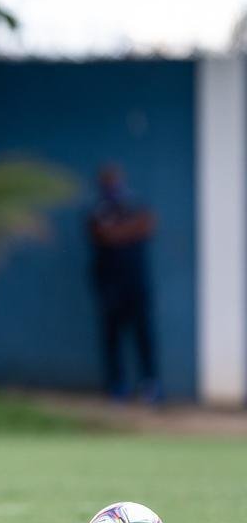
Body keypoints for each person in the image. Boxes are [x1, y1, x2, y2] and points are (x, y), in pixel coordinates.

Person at [88, 163, 160, 402]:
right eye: (108, 181)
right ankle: (117, 386)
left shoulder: (135, 203)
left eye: (115, 180)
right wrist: (127, 231)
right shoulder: (98, 209)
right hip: (110, 286)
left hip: (136, 285)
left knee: (143, 336)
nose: (113, 185)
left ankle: (150, 385)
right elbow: (102, 234)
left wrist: (118, 231)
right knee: (112, 338)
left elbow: (147, 225)